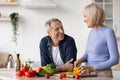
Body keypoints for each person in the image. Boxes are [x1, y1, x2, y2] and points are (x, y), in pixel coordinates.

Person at [74, 3, 119, 78]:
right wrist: (80, 60)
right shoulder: (91, 32)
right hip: (88, 73)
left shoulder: (108, 32)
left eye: (85, 16)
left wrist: (92, 68)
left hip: (103, 74)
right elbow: (87, 54)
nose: (84, 20)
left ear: (93, 16)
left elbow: (114, 59)